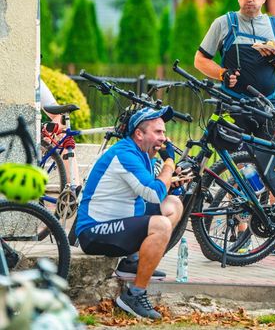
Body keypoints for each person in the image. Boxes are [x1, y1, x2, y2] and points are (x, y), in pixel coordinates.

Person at [75, 106, 189, 319]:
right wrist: (169, 163)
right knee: (161, 225)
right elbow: (153, 193)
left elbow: (154, 192)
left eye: (164, 132)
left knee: (174, 204)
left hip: (119, 222)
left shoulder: (144, 155)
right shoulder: (125, 154)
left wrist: (171, 182)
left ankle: (133, 262)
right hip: (94, 232)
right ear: (139, 134)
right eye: (158, 132)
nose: (164, 138)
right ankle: (134, 295)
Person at [194, 0, 275, 137]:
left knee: (271, 153)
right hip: (233, 105)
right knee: (230, 153)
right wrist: (222, 73)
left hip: (268, 106)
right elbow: (199, 60)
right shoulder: (224, 23)